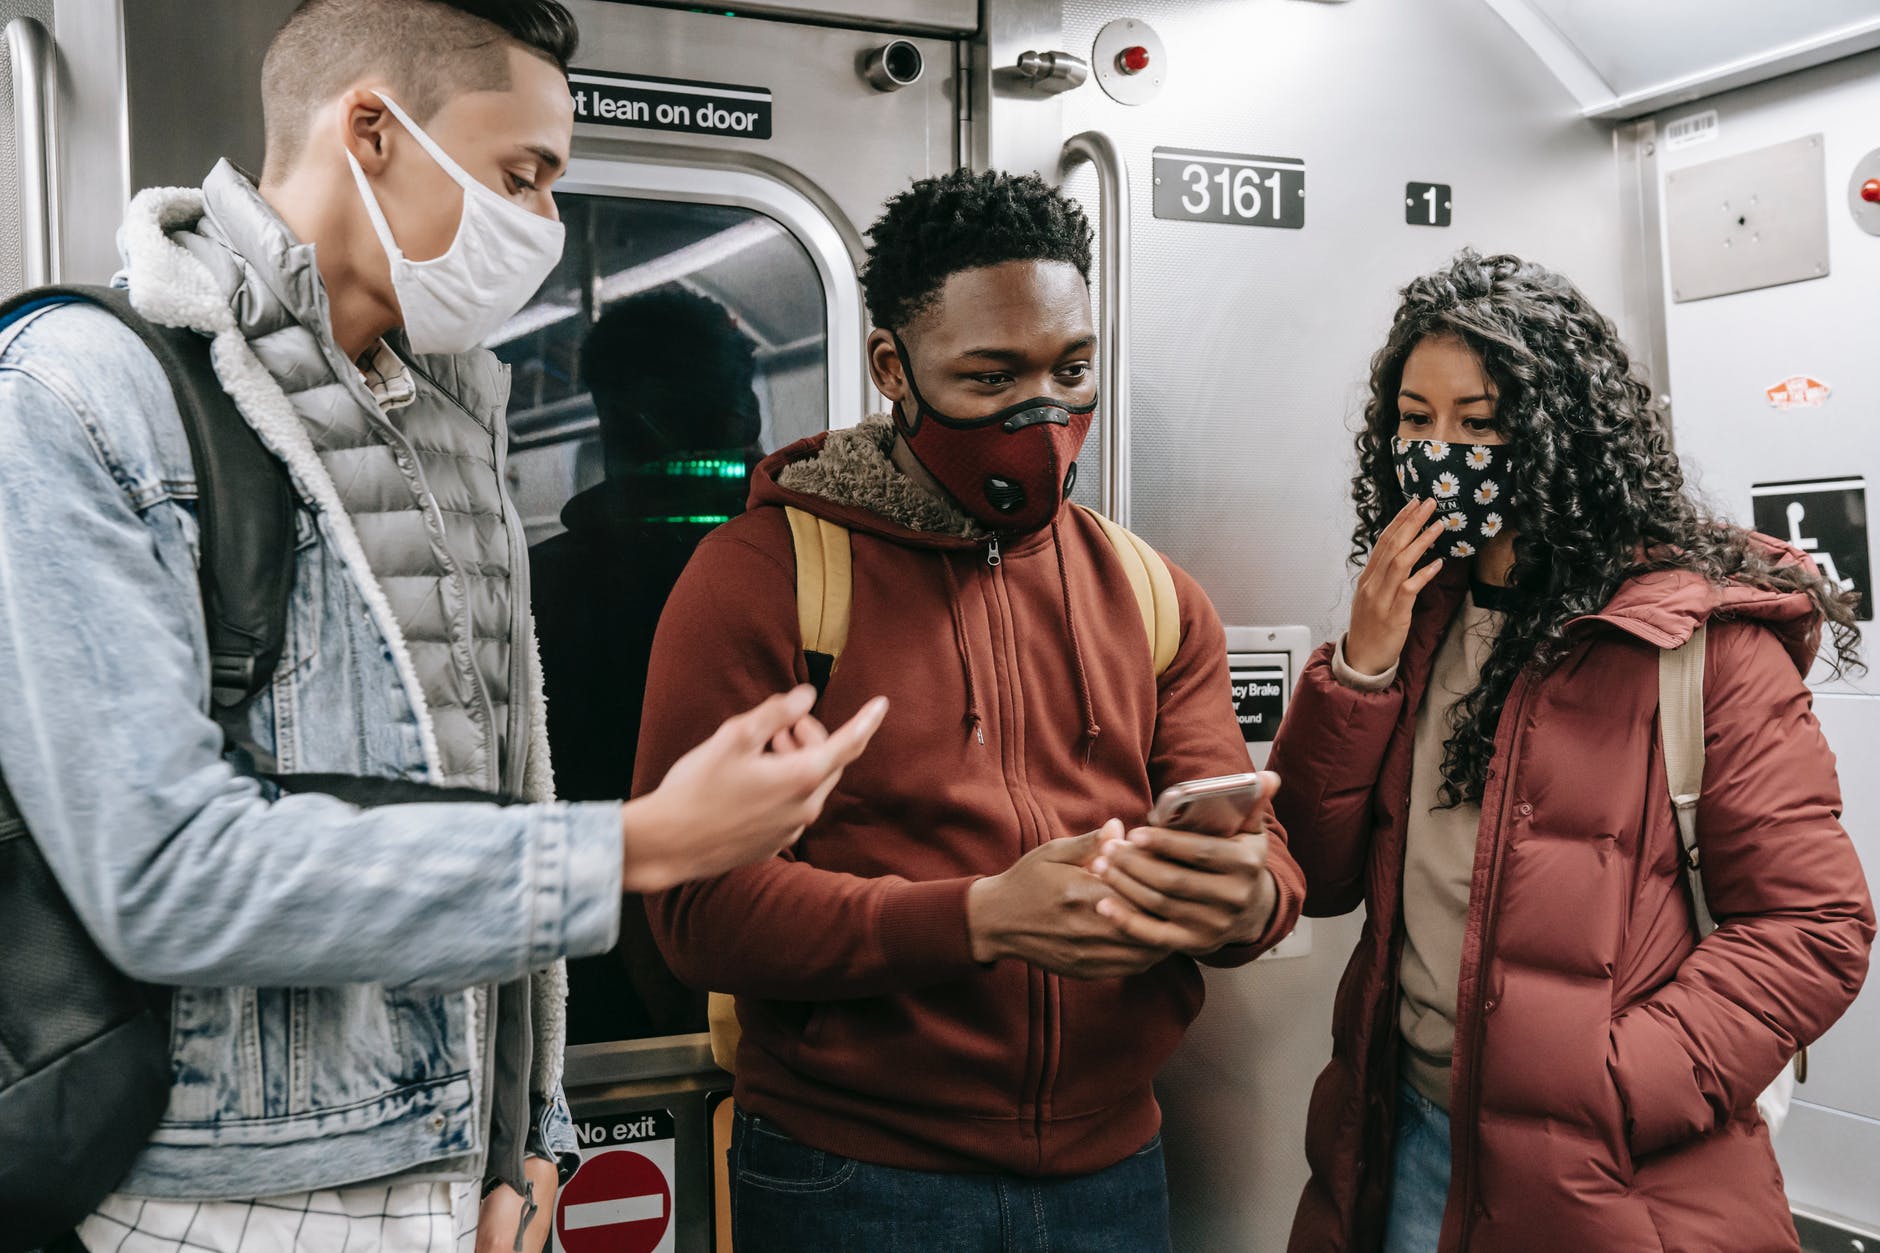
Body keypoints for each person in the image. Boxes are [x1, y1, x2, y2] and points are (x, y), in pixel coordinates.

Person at [0, 2, 883, 1249]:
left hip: (459, 1170)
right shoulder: (84, 393)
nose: (541, 224)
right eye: (519, 176)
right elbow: (161, 876)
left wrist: (519, 1138)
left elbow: (489, 784)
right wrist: (634, 845)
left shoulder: (452, 419)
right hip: (222, 1189)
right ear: (371, 129)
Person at [635, 169, 1307, 1251]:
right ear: (891, 368)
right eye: (991, 376)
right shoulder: (766, 576)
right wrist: (977, 916)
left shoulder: (1150, 594)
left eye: (1071, 369)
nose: (1041, 415)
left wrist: (1244, 902)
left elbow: (1265, 862)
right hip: (856, 1178)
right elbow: (694, 913)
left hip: (1114, 1168)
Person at [1269, 251, 1875, 1252]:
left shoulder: (1699, 643)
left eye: (1478, 421)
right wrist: (1360, 673)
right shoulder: (1417, 621)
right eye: (1414, 419)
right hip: (1403, 1142)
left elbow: (1810, 926)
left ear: (1562, 431)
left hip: (1611, 1174)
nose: (1437, 448)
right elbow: (1317, 875)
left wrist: (1609, 1084)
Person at [531, 287, 765, 1043]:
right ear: (746, 411)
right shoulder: (801, 568)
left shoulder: (539, 588)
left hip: (584, 968)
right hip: (774, 964)